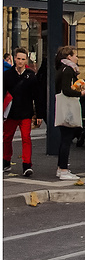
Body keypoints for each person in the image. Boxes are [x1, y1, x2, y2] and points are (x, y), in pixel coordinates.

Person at [3, 48, 42, 176]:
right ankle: (6, 161)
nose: (20, 61)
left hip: (26, 112)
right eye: (18, 59)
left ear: (26, 60)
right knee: (7, 137)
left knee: (26, 138)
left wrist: (39, 115)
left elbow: (37, 96)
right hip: (10, 113)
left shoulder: (31, 76)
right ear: (14, 58)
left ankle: (27, 165)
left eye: (23, 59)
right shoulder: (7, 75)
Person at [54, 45, 85, 180]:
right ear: (69, 57)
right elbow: (66, 90)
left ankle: (60, 167)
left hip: (62, 106)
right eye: (75, 55)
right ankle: (63, 170)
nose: (77, 58)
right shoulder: (68, 70)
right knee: (67, 139)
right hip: (67, 108)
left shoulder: (61, 69)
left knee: (65, 139)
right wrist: (80, 93)